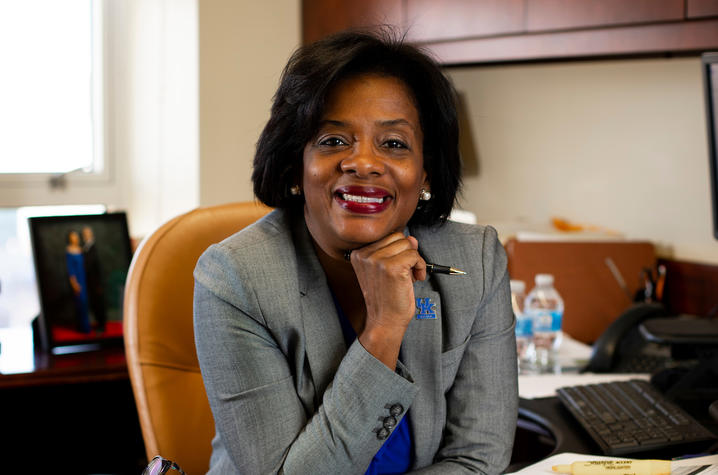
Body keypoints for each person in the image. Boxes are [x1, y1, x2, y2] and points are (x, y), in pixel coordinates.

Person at [194, 29, 518, 474]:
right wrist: (383, 329)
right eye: (333, 141)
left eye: (394, 144)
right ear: (295, 164)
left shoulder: (475, 261)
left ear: (425, 174)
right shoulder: (236, 278)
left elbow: (479, 460)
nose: (363, 162)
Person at [82, 226, 107, 333]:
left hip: (96, 282)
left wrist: (99, 284)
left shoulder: (94, 247)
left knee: (98, 304)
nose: (85, 235)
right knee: (94, 304)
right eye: (84, 233)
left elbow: (97, 266)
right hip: (89, 282)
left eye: (87, 233)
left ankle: (102, 325)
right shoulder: (85, 247)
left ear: (91, 234)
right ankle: (98, 323)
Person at [66, 230, 90, 334]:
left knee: (85, 303)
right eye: (72, 237)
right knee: (80, 303)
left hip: (84, 278)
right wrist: (74, 283)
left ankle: (86, 327)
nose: (74, 239)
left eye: (75, 236)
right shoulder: (68, 250)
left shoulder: (81, 250)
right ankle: (82, 327)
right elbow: (70, 269)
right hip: (77, 280)